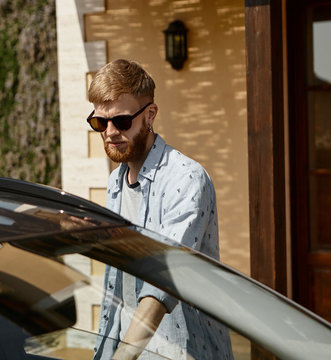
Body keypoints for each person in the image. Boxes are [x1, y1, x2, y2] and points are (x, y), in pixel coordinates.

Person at [87, 59, 233, 360]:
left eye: (122, 121)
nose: (110, 132)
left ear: (149, 115)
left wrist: (123, 357)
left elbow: (163, 278)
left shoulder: (186, 179)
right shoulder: (116, 182)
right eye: (100, 123)